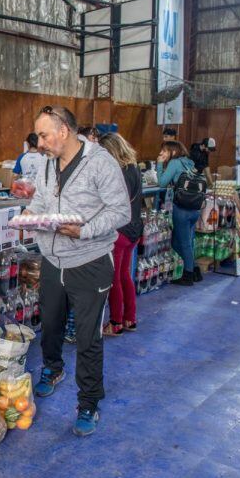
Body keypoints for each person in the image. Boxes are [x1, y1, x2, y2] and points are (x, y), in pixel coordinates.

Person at [28, 106, 130, 437]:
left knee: (87, 338)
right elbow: (42, 202)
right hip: (52, 260)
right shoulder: (45, 164)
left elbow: (121, 211)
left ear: (64, 131)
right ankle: (52, 369)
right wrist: (27, 218)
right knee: (52, 323)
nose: (39, 142)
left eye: (44, 135)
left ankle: (88, 402)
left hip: (90, 262)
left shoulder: (100, 162)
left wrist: (84, 230)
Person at [98, 133, 143, 336]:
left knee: (113, 278)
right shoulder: (134, 167)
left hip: (120, 230)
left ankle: (115, 322)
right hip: (134, 229)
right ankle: (129, 318)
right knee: (125, 274)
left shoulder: (119, 172)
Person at [158, 141, 200, 286]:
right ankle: (194, 269)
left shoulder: (174, 163)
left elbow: (162, 183)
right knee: (180, 242)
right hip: (195, 208)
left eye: (164, 151)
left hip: (182, 208)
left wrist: (159, 164)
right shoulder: (189, 162)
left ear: (173, 152)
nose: (161, 154)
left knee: (183, 243)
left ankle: (188, 275)